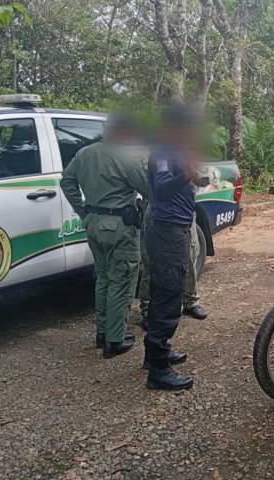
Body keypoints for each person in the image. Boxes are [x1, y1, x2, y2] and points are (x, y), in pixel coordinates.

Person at [61, 114, 149, 358]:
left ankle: (102, 334)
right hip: (120, 226)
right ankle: (115, 340)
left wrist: (83, 211)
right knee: (121, 282)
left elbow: (67, 182)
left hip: (93, 224)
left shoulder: (84, 153)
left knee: (103, 280)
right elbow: (147, 187)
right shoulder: (125, 155)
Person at [143, 105, 203, 391]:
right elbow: (165, 187)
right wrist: (186, 176)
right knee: (168, 296)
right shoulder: (165, 151)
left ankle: (157, 353)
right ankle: (158, 370)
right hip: (167, 232)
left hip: (171, 229)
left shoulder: (173, 149)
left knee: (162, 292)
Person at [138, 201, 208, 330]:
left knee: (189, 256)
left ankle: (190, 301)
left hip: (184, 207)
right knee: (151, 261)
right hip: (157, 209)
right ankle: (148, 310)